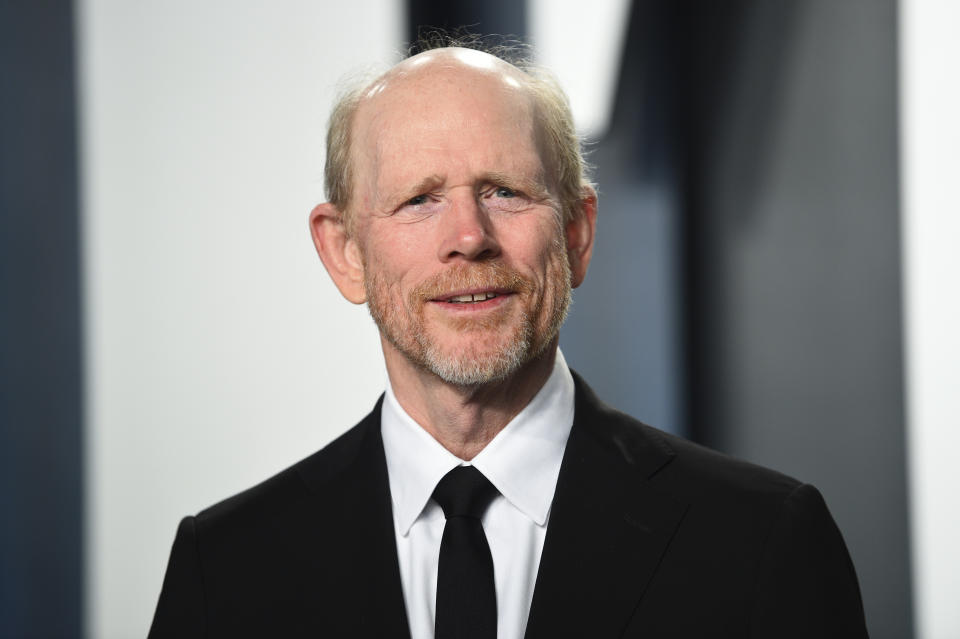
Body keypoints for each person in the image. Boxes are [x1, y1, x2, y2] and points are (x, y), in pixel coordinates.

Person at [148, 40, 868, 639]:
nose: (468, 237)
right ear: (345, 253)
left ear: (578, 232)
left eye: (504, 191)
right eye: (419, 198)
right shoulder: (228, 570)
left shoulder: (763, 541)